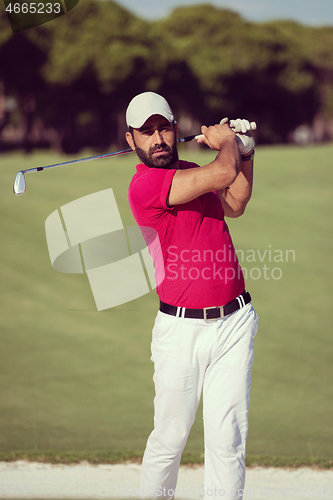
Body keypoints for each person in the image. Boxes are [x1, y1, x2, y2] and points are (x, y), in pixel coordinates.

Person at [126, 92, 259, 500]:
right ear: (131, 141)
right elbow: (222, 175)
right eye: (146, 133)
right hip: (181, 331)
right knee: (169, 438)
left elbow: (235, 201)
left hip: (234, 323)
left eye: (163, 127)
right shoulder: (145, 185)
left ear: (175, 128)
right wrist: (228, 143)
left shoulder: (190, 171)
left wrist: (246, 153)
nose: (158, 138)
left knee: (227, 439)